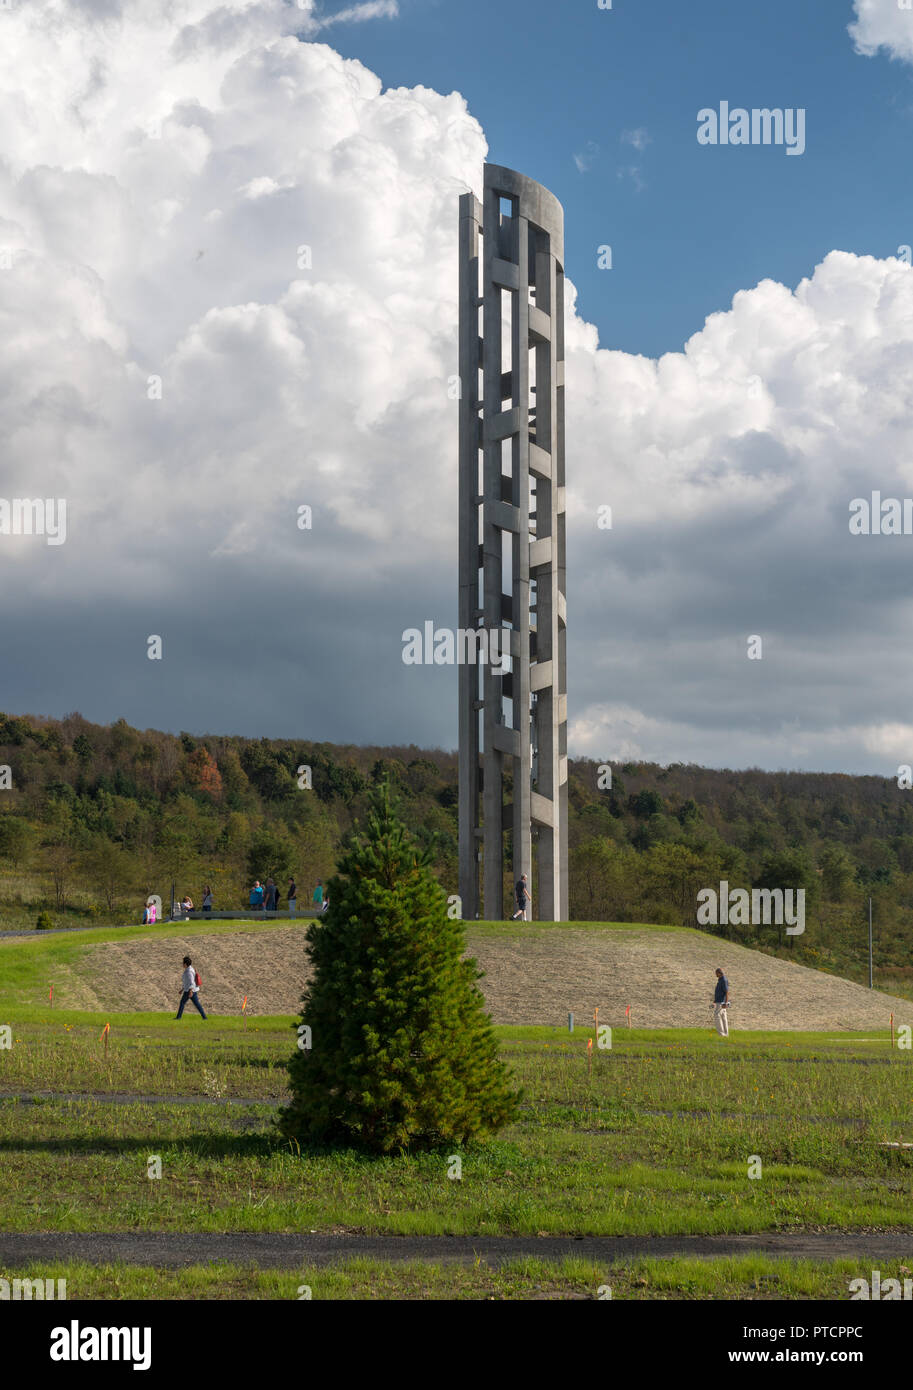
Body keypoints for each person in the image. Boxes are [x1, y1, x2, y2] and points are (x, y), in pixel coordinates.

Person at [176, 956, 207, 1020]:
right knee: (197, 1004)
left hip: (190, 991)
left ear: (185, 964)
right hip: (190, 990)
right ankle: (204, 1017)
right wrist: (182, 989)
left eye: (183, 963)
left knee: (183, 1003)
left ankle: (178, 1017)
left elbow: (191, 982)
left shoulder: (189, 971)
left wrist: (190, 991)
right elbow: (186, 982)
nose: (182, 964)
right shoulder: (189, 969)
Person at [712, 967, 730, 1038]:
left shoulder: (723, 980)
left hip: (721, 1002)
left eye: (716, 973)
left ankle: (722, 1035)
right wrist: (714, 1001)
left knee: (717, 1016)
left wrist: (725, 1003)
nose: (715, 974)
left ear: (719, 973)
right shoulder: (720, 980)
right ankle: (726, 1034)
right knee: (723, 1017)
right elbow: (719, 993)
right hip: (719, 1002)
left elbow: (727, 992)